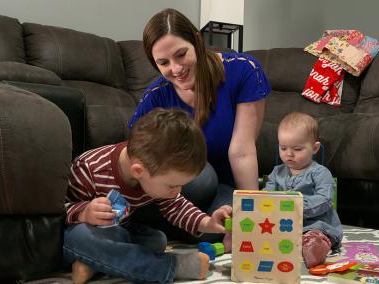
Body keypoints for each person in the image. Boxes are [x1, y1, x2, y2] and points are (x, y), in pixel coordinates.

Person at [128, 8, 271, 244]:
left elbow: (242, 151)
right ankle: (151, 228)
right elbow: (134, 157)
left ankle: (157, 233)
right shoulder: (156, 95)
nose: (175, 69)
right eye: (163, 63)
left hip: (224, 186)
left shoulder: (244, 70)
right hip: (174, 190)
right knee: (204, 176)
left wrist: (251, 214)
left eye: (181, 55)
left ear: (197, 40)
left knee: (222, 226)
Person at [63, 108, 232, 284]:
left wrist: (209, 223)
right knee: (81, 237)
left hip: (120, 233)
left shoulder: (151, 170)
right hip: (82, 236)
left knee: (157, 240)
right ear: (138, 171)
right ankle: (170, 267)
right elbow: (59, 213)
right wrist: (84, 212)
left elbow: (177, 207)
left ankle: (96, 262)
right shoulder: (89, 168)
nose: (178, 191)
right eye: (172, 185)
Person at [263, 111, 342, 268]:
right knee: (263, 232)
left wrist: (295, 207)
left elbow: (324, 200)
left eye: (297, 149)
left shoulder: (320, 173)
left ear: (314, 148)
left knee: (315, 235)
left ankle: (315, 247)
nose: (289, 154)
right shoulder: (276, 172)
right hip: (281, 224)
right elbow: (267, 195)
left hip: (314, 223)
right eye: (283, 148)